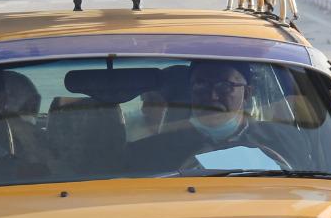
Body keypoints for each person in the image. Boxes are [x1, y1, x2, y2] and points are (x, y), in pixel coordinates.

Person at [131, 60, 305, 173]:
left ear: (247, 94)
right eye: (201, 85)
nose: (212, 96)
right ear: (190, 90)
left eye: (225, 85)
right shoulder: (151, 151)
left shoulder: (286, 140)